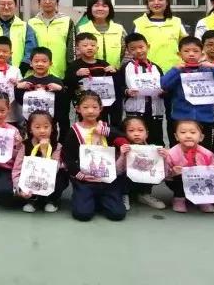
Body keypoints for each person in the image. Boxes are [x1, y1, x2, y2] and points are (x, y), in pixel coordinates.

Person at [160, 36, 214, 151]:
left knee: (204, 150)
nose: (191, 54)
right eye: (186, 51)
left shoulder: (208, 70)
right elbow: (164, 84)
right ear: (179, 54)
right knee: (181, 151)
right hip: (182, 119)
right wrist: (175, 69)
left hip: (205, 118)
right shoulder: (177, 71)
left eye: (195, 51)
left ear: (202, 53)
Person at [62, 91, 126, 222]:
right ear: (78, 109)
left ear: (101, 109)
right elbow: (68, 157)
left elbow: (123, 138)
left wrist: (107, 132)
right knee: (82, 214)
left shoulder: (106, 128)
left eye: (94, 107)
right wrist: (80, 175)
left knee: (117, 214)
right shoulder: (74, 130)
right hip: (85, 179)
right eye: (85, 107)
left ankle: (99, 199)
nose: (90, 111)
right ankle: (85, 197)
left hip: (107, 179)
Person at [62, 33, 117, 139]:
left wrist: (114, 71)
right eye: (85, 45)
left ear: (97, 48)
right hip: (83, 104)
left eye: (92, 45)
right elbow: (67, 83)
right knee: (84, 125)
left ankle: (103, 143)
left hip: (102, 104)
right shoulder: (74, 65)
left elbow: (114, 82)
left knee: (102, 124)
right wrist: (76, 74)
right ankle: (83, 142)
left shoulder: (103, 64)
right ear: (78, 49)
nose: (89, 48)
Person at [164, 120, 214, 213]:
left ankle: (204, 200)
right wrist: (172, 172)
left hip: (200, 182)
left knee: (210, 177)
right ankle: (179, 199)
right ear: (176, 136)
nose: (188, 136)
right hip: (178, 182)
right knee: (179, 177)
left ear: (201, 137)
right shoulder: (172, 153)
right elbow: (165, 174)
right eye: (183, 132)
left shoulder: (207, 154)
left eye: (193, 132)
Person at [118, 33, 168, 147]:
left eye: (141, 47)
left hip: (155, 111)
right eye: (133, 49)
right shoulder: (126, 68)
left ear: (148, 46)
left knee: (156, 140)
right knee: (135, 139)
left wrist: (163, 92)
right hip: (135, 111)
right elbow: (119, 87)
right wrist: (127, 91)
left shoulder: (156, 68)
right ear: (128, 51)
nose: (138, 51)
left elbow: (163, 86)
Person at [13, 111, 67, 214]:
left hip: (49, 181)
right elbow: (17, 169)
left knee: (61, 176)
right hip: (32, 181)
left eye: (46, 127)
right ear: (30, 129)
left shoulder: (57, 146)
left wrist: (44, 152)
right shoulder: (25, 145)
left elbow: (54, 170)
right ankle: (32, 199)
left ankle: (52, 199)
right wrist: (20, 188)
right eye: (37, 127)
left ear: (52, 128)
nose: (42, 131)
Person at [114, 116, 166, 210]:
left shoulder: (152, 149)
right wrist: (122, 155)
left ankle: (144, 194)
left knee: (152, 171)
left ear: (147, 134)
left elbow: (162, 171)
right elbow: (117, 171)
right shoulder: (123, 148)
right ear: (124, 133)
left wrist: (164, 158)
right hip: (125, 181)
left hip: (142, 180)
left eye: (140, 130)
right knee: (122, 176)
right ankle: (124, 195)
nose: (136, 134)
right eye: (131, 130)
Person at [132, 0, 187, 71]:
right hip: (148, 70)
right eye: (151, 0)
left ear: (167, 2)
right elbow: (133, 49)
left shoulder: (177, 22)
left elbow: (186, 45)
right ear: (147, 3)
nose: (156, 3)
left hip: (175, 69)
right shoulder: (139, 23)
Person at [27, 0, 75, 79]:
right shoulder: (31, 23)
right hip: (36, 74)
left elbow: (72, 49)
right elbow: (28, 49)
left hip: (60, 73)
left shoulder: (67, 21)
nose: (47, 2)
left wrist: (71, 71)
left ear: (57, 2)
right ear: (39, 2)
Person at [76, 0, 125, 69]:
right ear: (90, 9)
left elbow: (126, 53)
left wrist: (119, 69)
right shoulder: (82, 29)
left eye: (104, 6)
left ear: (110, 9)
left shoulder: (119, 29)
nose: (100, 8)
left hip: (114, 72)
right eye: (96, 6)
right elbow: (76, 54)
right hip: (88, 73)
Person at [15, 47, 64, 117]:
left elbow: (62, 103)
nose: (40, 64)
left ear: (50, 63)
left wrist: (60, 89)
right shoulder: (25, 82)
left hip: (50, 120)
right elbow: (19, 101)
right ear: (30, 63)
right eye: (36, 61)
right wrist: (17, 88)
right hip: (30, 119)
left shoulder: (57, 82)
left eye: (44, 61)